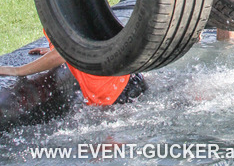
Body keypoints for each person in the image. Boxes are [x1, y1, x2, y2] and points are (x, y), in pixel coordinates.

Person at [0, 37, 147, 105]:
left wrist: (18, 70)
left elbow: (64, 52)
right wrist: (52, 49)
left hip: (116, 93)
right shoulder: (67, 5)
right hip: (127, 81)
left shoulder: (63, 6)